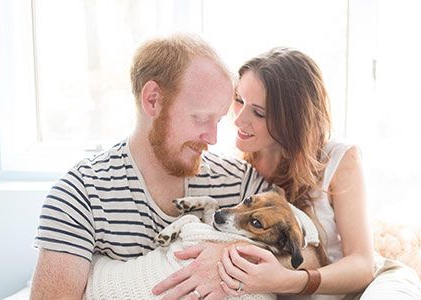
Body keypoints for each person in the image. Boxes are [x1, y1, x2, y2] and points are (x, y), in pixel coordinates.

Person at [154, 48, 421, 299]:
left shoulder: (338, 158)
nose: (238, 120)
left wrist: (289, 280)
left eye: (259, 113)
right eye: (238, 100)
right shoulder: (237, 166)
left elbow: (362, 265)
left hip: (371, 286)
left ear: (293, 121)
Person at [30, 34, 270, 299]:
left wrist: (229, 256)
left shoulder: (237, 182)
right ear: (153, 100)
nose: (212, 138)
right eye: (201, 118)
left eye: (218, 121)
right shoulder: (82, 195)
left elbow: (306, 253)